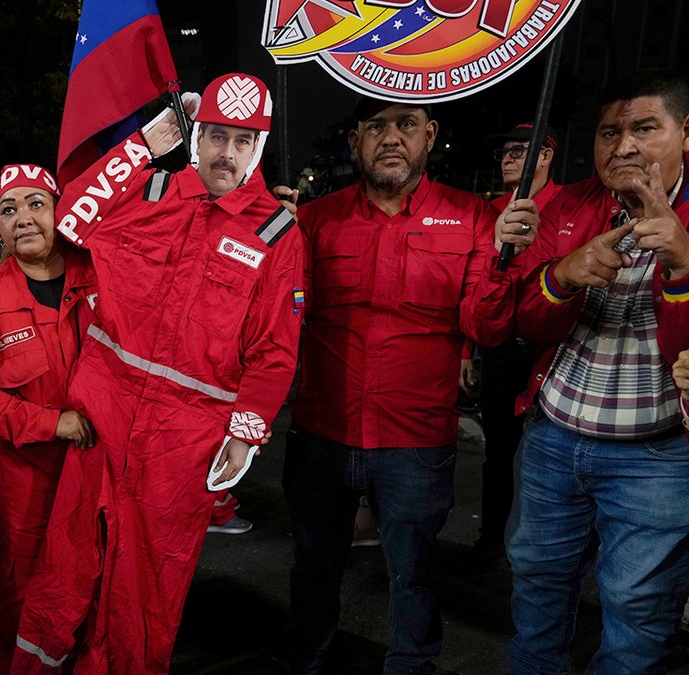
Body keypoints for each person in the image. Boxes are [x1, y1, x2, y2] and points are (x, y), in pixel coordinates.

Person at [13, 73, 305, 673]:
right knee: (64, 565)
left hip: (185, 439)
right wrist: (142, 145)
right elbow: (70, 217)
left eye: (243, 141)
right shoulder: (148, 192)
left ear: (260, 148)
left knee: (146, 586)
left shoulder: (277, 234)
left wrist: (246, 431)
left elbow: (275, 348)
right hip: (102, 413)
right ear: (195, 135)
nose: (227, 153)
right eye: (217, 135)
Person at [281, 96, 538, 673]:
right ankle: (305, 661)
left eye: (406, 125)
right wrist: (262, 234)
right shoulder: (313, 220)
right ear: (355, 141)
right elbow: (277, 315)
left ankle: (412, 665)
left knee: (415, 574)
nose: (391, 137)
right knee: (313, 568)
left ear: (430, 135)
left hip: (416, 441)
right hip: (323, 433)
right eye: (376, 127)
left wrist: (506, 260)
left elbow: (487, 329)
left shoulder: (475, 217)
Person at [506, 69, 689, 673]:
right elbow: (523, 324)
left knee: (637, 613)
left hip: (658, 457)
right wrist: (559, 279)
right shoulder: (567, 205)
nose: (624, 147)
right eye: (609, 133)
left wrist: (684, 267)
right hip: (554, 439)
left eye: (644, 128)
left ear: (685, 132)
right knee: (536, 586)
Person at [0, 164, 96, 674]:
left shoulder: (103, 276)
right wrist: (52, 423)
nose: (24, 219)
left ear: (61, 211)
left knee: (100, 579)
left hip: (103, 471)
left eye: (37, 204)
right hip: (30, 479)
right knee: (24, 584)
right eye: (9, 210)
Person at [465, 122, 562, 565]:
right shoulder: (489, 212)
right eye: (503, 151)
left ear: (545, 155)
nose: (507, 158)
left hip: (554, 352)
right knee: (499, 451)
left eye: (518, 150)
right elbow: (472, 286)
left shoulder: (569, 204)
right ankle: (491, 541)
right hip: (501, 347)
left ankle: (548, 551)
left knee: (551, 457)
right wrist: (468, 351)